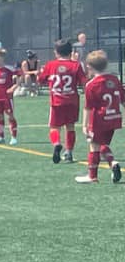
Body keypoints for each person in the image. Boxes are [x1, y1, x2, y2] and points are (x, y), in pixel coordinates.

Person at [76, 50, 122, 184]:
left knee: (94, 145)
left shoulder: (91, 84)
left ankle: (93, 175)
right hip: (114, 118)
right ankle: (112, 164)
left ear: (89, 67)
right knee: (102, 144)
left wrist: (84, 125)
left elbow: (88, 107)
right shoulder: (115, 80)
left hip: (99, 120)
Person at [41, 38, 88, 166]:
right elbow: (84, 82)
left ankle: (57, 143)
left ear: (56, 52)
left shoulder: (51, 65)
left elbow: (41, 80)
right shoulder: (76, 65)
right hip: (72, 101)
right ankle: (69, 152)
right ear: (71, 51)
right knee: (70, 127)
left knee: (54, 127)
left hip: (57, 101)